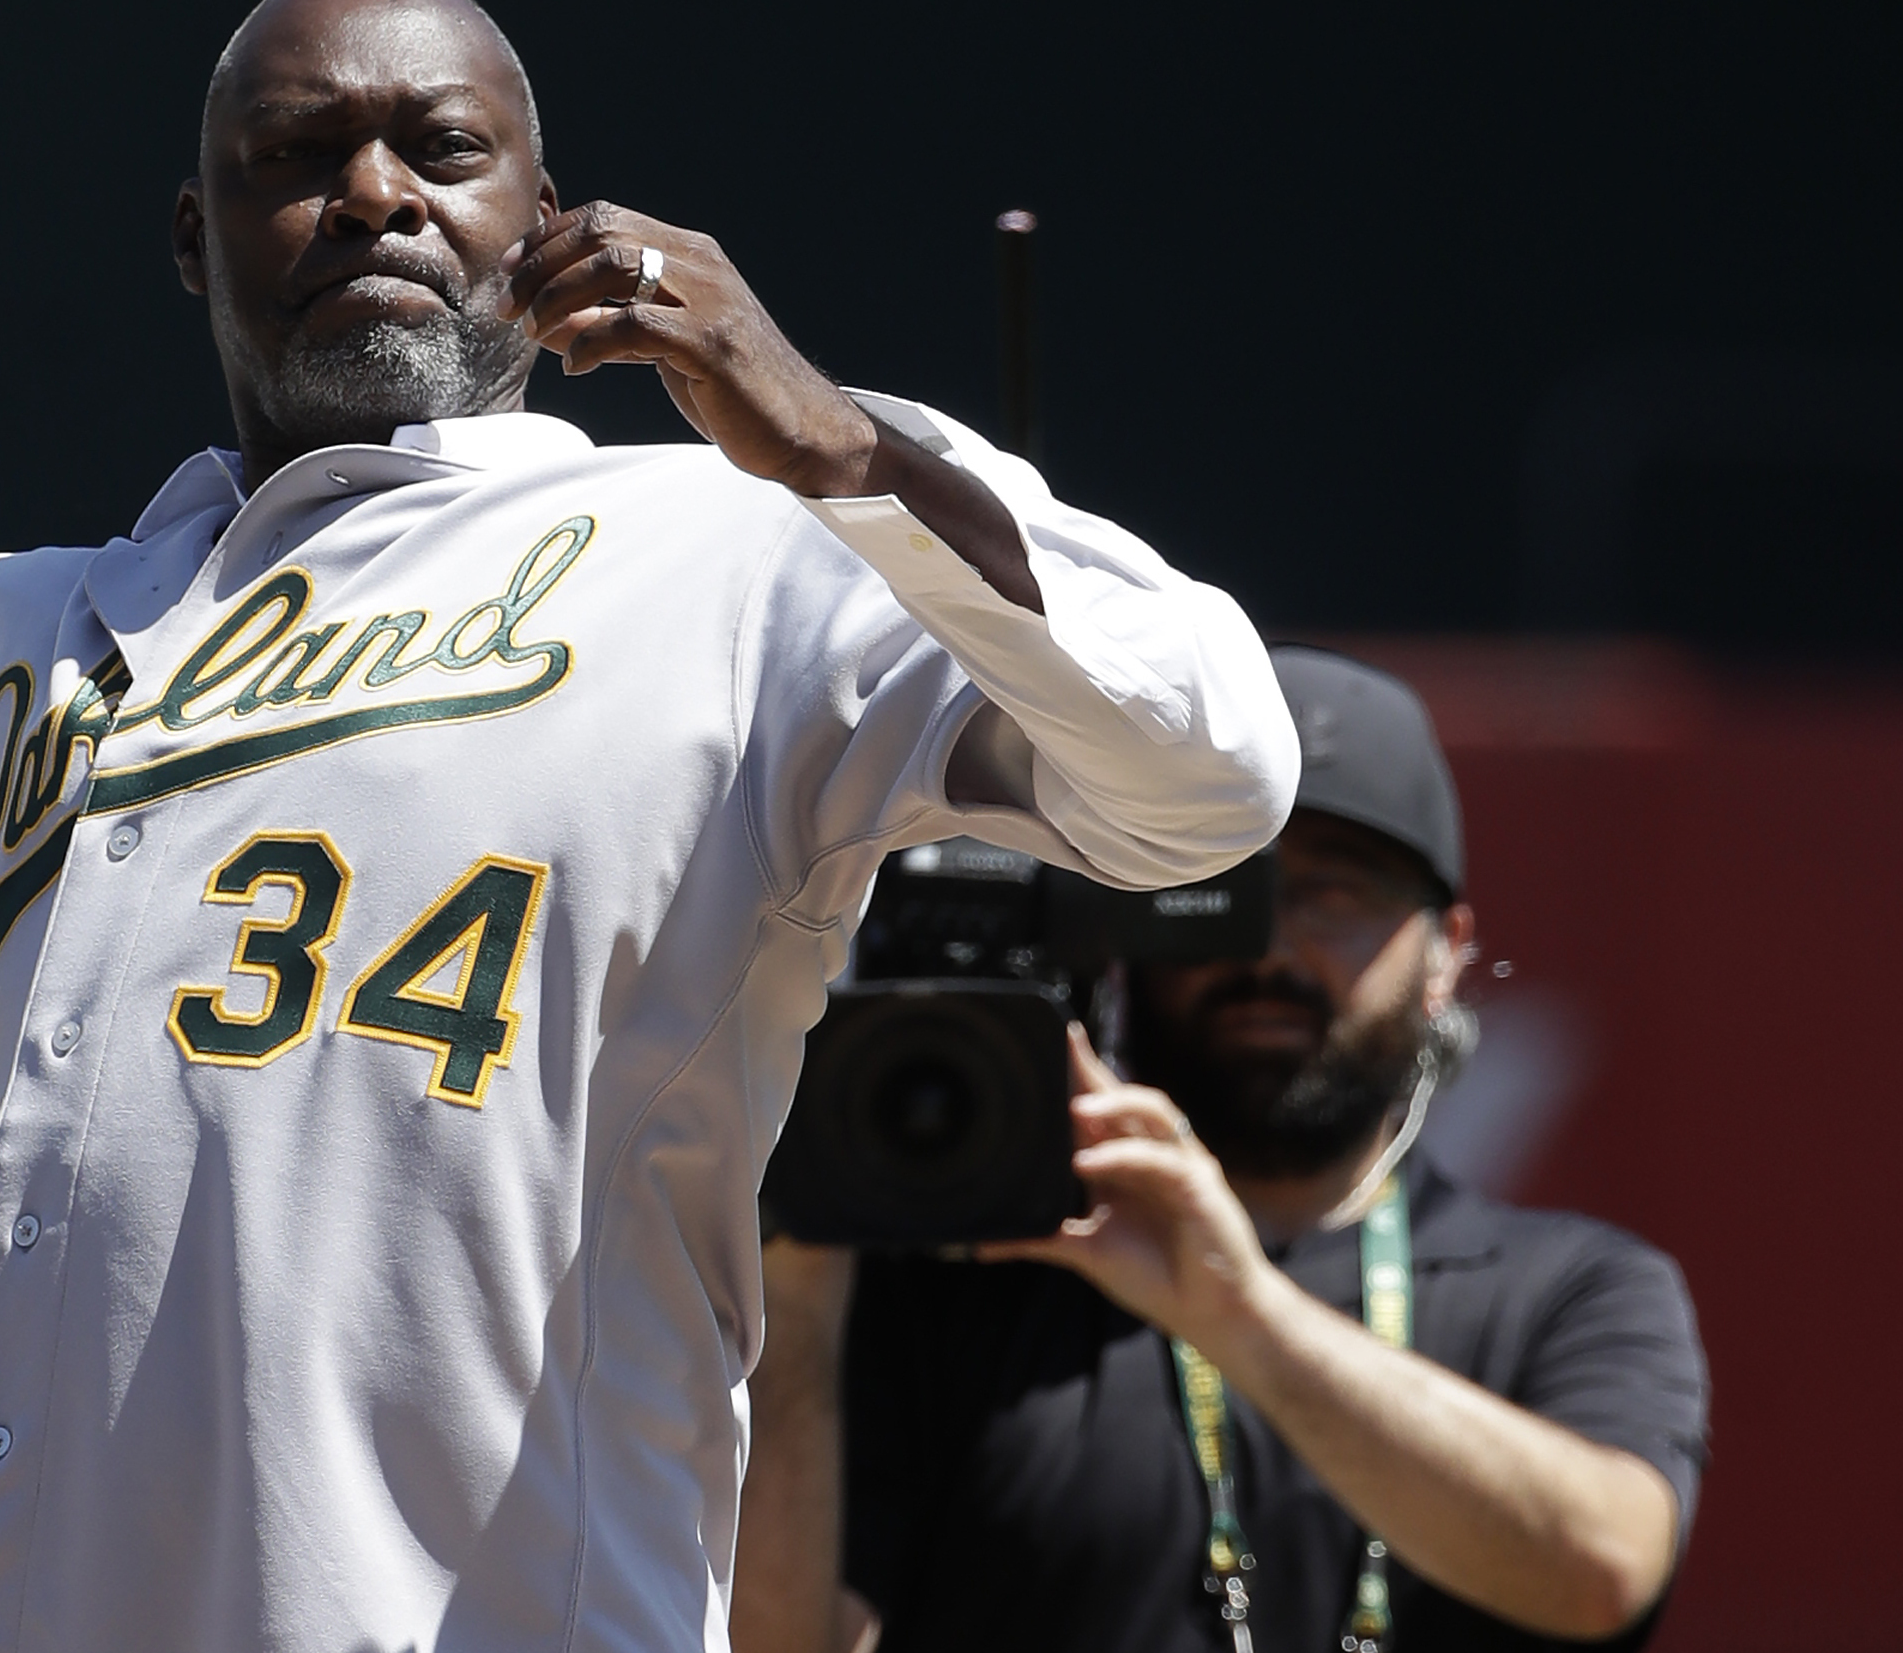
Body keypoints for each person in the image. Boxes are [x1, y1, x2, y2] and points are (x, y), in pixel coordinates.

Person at [0, 0, 1298, 1651]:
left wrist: (843, 455)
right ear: (194, 240)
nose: (379, 195)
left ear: (545, 217)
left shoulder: (731, 558)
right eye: (298, 158)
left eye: (445, 151)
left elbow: (1206, 773)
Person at [733, 647, 1710, 1653]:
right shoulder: (969, 1271)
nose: (1269, 948)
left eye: (1336, 893)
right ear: (1122, 927)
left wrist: (1235, 1307)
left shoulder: (1567, 1286)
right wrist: (803, 1284)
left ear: (1446, 951)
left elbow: (1603, 1569)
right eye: (1215, 889)